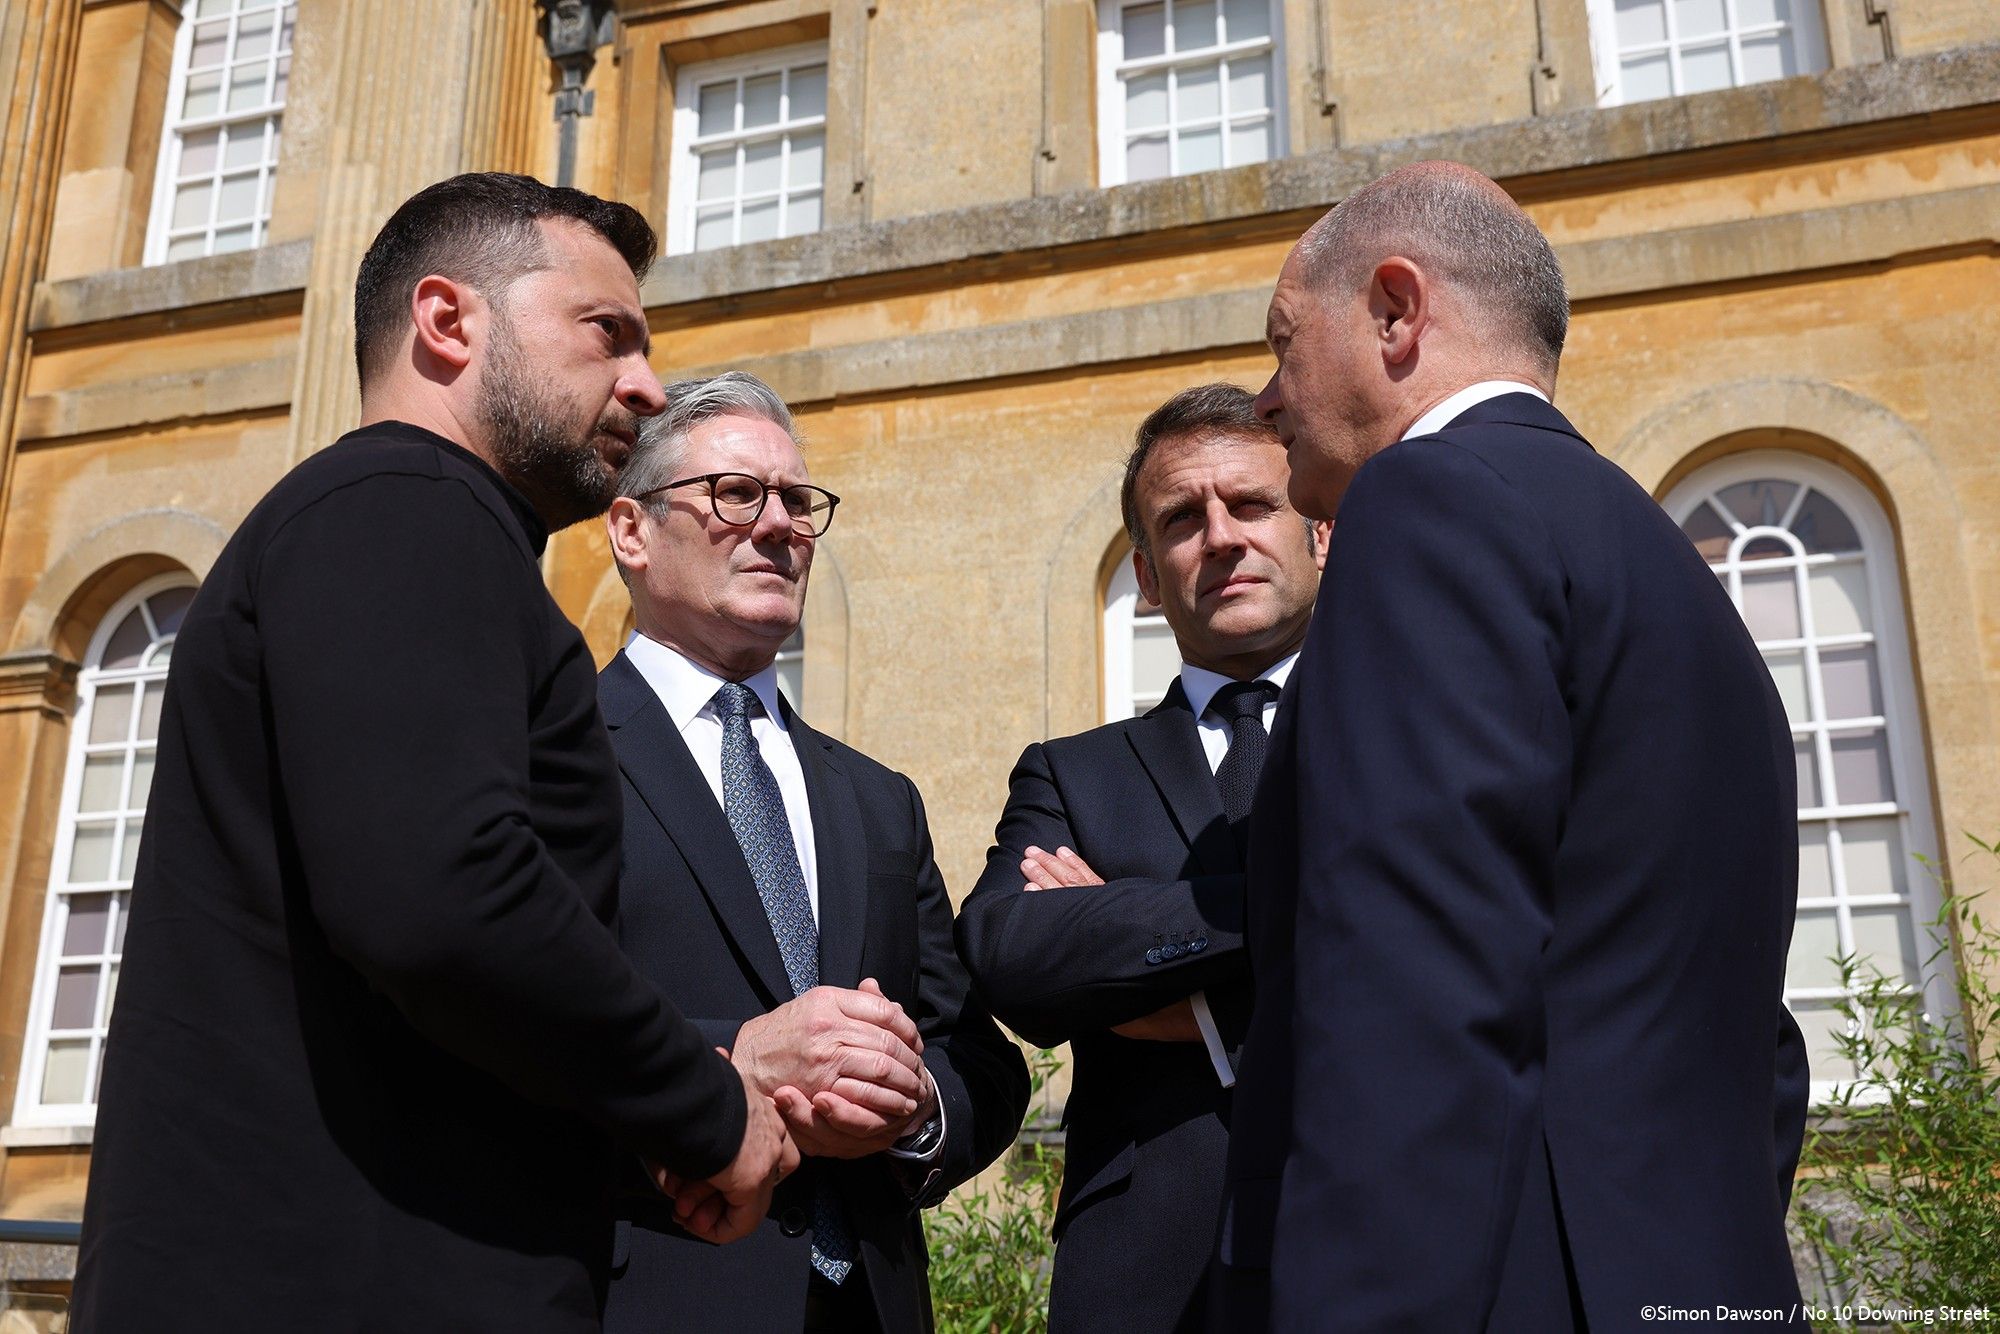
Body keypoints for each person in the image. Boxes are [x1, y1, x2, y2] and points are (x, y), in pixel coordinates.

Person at [71, 174, 795, 1333]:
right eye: (606, 333)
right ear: (448, 321)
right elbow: (444, 892)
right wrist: (703, 1104)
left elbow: (399, 1021)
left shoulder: (393, 526)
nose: (647, 387)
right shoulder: (405, 504)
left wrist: (639, 1154)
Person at [1214, 161, 1810, 1331]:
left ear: (1394, 311)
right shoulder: (1665, 568)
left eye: (1282, 346)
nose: (1266, 400)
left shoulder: (1423, 502)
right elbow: (1757, 1047)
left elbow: (1413, 991)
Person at [597, 371, 1030, 1333]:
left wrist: (916, 1111)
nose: (780, 525)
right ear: (631, 529)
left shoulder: (877, 800)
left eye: (798, 502)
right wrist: (724, 1078)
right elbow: (492, 1042)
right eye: (736, 494)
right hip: (647, 1292)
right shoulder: (551, 758)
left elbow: (974, 1054)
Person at [955, 384, 1325, 1333]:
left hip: (1383, 1234)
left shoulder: (1404, 729)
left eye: (1251, 505)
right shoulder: (1074, 774)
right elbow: (1010, 951)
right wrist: (1317, 905)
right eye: (1181, 519)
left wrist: (1189, 999)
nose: (1222, 537)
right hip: (1146, 1274)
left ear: (1319, 533)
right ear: (1151, 576)